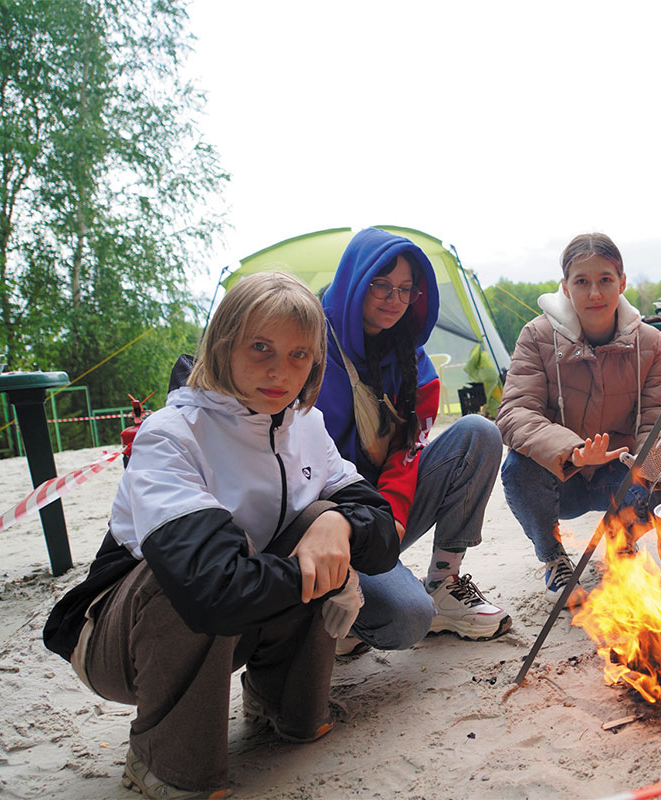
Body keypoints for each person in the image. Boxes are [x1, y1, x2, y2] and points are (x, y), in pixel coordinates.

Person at [42, 272, 401, 797]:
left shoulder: (307, 425)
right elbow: (210, 589)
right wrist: (321, 568)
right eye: (261, 348)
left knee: (321, 521)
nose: (281, 371)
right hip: (126, 640)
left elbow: (382, 528)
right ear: (223, 344)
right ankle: (163, 758)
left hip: (239, 616)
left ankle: (281, 704)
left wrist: (337, 525)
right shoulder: (171, 433)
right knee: (186, 572)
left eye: (300, 354)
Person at [318, 227, 510, 648]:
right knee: (406, 620)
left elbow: (407, 452)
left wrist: (387, 526)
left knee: (479, 432)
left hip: (380, 513)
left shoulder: (412, 361)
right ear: (353, 280)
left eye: (406, 289)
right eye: (381, 285)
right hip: (320, 520)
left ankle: (443, 582)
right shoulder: (309, 344)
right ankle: (338, 611)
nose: (395, 299)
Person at [497, 233, 661, 599]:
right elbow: (515, 412)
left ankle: (621, 545)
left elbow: (657, 423)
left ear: (622, 283)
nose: (595, 294)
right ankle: (554, 559)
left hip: (619, 474)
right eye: (582, 282)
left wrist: (652, 467)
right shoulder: (536, 336)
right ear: (565, 288)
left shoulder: (652, 344)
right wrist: (573, 451)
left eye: (605, 280)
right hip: (560, 476)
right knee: (517, 467)